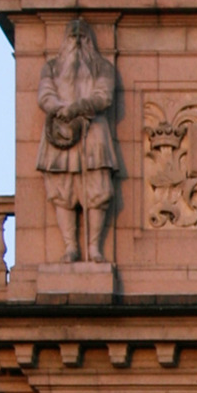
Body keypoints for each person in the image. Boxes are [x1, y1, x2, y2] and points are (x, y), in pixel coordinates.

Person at [36, 18, 119, 264]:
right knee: (62, 189)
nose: (78, 43)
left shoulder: (102, 67)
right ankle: (71, 247)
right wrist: (61, 110)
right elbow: (45, 95)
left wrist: (78, 109)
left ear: (89, 41)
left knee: (98, 188)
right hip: (61, 132)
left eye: (82, 38)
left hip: (93, 134)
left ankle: (94, 248)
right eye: (72, 38)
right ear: (65, 41)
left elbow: (103, 96)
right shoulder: (51, 67)